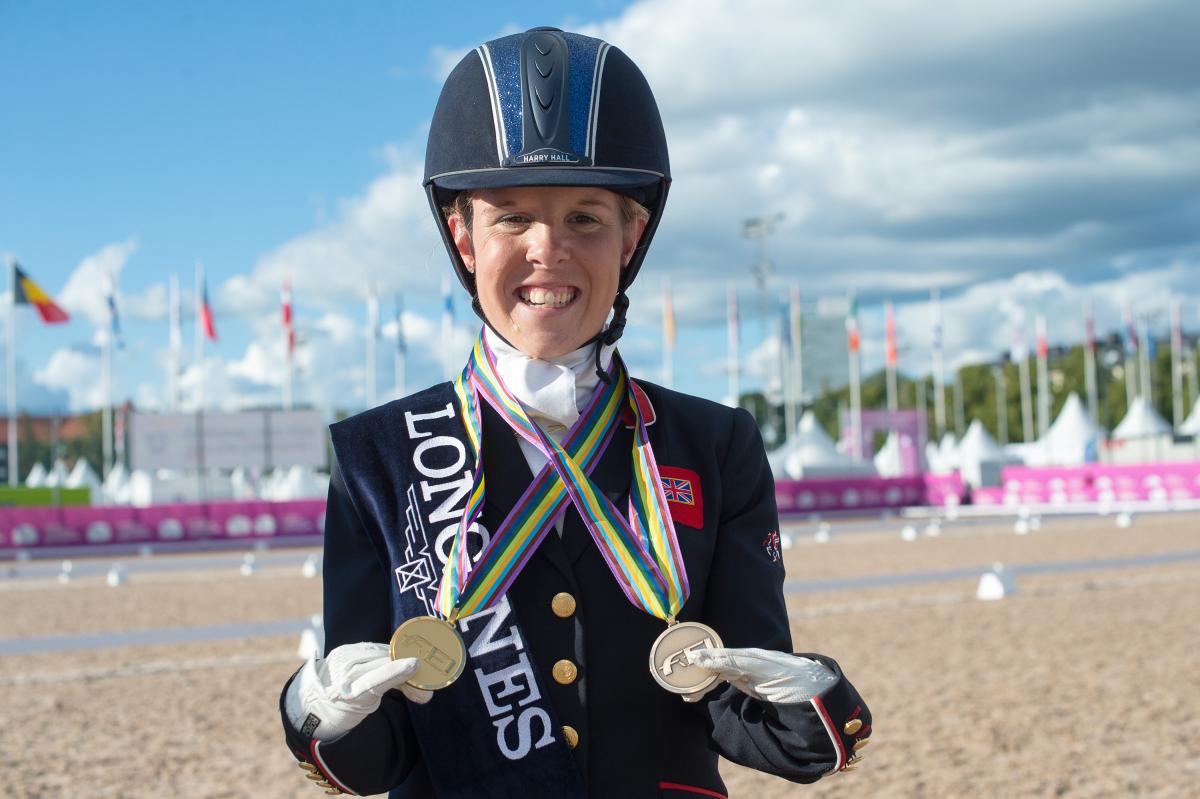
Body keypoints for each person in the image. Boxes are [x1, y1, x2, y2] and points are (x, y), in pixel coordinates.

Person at [280, 27, 871, 799]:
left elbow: (741, 715)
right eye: (511, 217)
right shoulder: (379, 456)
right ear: (462, 235)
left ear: (633, 235)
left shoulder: (716, 444)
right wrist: (320, 709)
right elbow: (375, 761)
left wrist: (810, 700)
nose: (547, 249)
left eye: (586, 219)